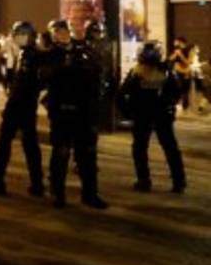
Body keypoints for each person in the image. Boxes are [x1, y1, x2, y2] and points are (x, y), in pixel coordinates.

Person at [39, 19, 107, 209]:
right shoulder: (50, 55)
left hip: (83, 110)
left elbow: (94, 77)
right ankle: (58, 193)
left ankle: (90, 194)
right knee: (61, 152)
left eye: (64, 30)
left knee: (87, 154)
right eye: (58, 31)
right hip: (61, 110)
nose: (62, 34)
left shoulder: (82, 51)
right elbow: (44, 77)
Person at [0, 21, 45, 197]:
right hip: (25, 106)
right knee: (29, 145)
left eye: (21, 34)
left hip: (20, 107)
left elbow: (25, 85)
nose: (18, 37)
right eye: (17, 34)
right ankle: (37, 183)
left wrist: (11, 106)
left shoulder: (31, 56)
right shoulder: (26, 54)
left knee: (6, 143)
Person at [118, 42, 186, 194]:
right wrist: (170, 107)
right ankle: (178, 181)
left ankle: (145, 180)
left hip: (145, 114)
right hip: (159, 114)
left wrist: (128, 112)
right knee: (169, 147)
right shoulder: (165, 72)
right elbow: (176, 92)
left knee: (142, 148)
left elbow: (122, 94)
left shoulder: (138, 72)